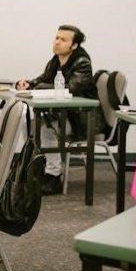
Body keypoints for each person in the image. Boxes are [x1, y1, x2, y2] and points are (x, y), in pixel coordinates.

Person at [15, 25, 97, 194]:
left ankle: (54, 176)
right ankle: (37, 167)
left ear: (74, 45)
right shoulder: (56, 60)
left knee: (46, 129)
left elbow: (72, 88)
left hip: (81, 118)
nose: (57, 42)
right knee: (27, 123)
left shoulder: (82, 62)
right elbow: (43, 79)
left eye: (63, 39)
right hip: (63, 115)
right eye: (57, 38)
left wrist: (39, 86)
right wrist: (27, 84)